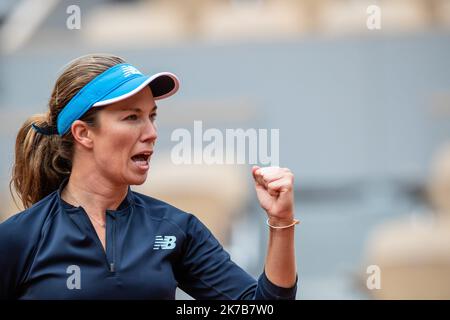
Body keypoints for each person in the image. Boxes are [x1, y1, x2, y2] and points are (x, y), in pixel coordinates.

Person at [0, 54, 299, 300]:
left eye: (151, 116)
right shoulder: (20, 238)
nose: (152, 133)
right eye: (132, 117)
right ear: (83, 133)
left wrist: (281, 222)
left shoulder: (176, 229)